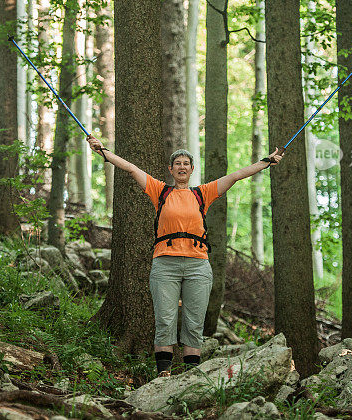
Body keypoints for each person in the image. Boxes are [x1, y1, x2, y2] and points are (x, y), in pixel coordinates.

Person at [86, 134, 284, 377]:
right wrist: (102, 151)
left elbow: (234, 176)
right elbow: (131, 168)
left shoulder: (203, 193)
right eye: (177, 163)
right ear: (171, 169)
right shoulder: (160, 191)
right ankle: (163, 373)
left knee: (193, 322)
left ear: (191, 170)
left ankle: (191, 376)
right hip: (165, 264)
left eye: (186, 164)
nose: (182, 167)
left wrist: (266, 161)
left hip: (198, 266)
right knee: (165, 320)